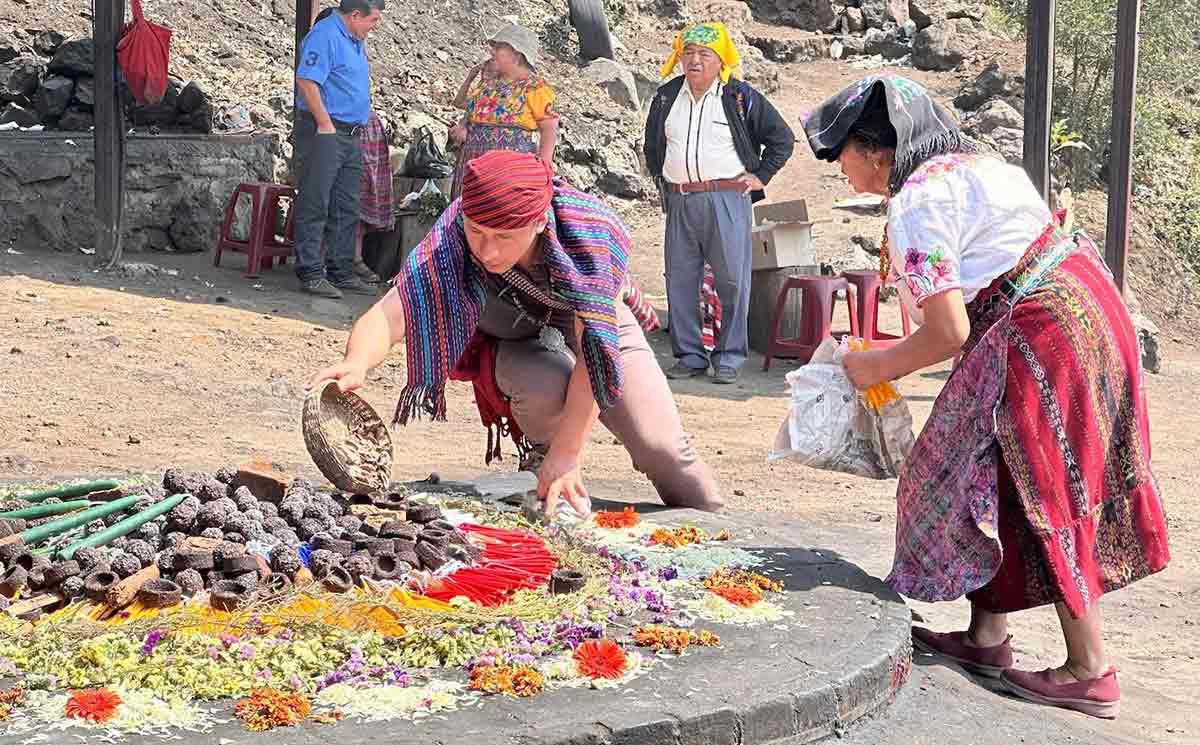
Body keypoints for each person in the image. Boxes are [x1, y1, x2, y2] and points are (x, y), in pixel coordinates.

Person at [802, 74, 1170, 718]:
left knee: (1042, 481)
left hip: (1044, 327)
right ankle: (985, 634)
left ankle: (1090, 668)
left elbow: (948, 330)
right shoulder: (972, 165)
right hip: (1078, 303)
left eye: (842, 155)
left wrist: (874, 366)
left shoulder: (916, 203)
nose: (839, 169)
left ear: (878, 152)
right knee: (990, 471)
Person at [308, 150, 723, 517]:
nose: (487, 251)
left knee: (661, 447)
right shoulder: (454, 234)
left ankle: (716, 526)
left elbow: (596, 350)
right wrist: (356, 362)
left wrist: (570, 451)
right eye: (477, 232)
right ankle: (544, 465)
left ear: (539, 223)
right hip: (510, 327)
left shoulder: (588, 234)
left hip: (593, 321)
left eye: (504, 237)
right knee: (543, 391)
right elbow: (390, 313)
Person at [644, 21, 794, 384]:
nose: (695, 61)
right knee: (680, 280)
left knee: (732, 281)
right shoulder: (666, 97)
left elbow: (782, 138)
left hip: (727, 198)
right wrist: (666, 179)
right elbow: (652, 146)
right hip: (680, 199)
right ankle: (689, 356)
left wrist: (761, 175)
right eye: (688, 53)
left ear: (720, 60)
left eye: (704, 54)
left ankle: (728, 357)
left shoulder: (738, 97)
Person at [292, 0, 384, 299]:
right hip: (326, 130)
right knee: (316, 200)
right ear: (355, 15)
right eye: (373, 20)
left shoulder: (355, 38)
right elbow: (307, 80)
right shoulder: (326, 34)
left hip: (351, 133)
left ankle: (341, 271)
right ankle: (310, 272)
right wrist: (324, 123)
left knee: (347, 205)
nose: (374, 27)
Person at [448, 24, 558, 201]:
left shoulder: (535, 88)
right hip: (471, 170)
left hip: (509, 174)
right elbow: (469, 111)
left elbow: (549, 128)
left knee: (500, 214)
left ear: (516, 55)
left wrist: (544, 168)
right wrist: (464, 126)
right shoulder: (487, 84)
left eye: (498, 47)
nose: (492, 52)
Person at [352, 109, 393, 284]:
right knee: (336, 196)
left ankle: (356, 258)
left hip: (366, 122)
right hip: (342, 122)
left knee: (364, 195)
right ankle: (323, 258)